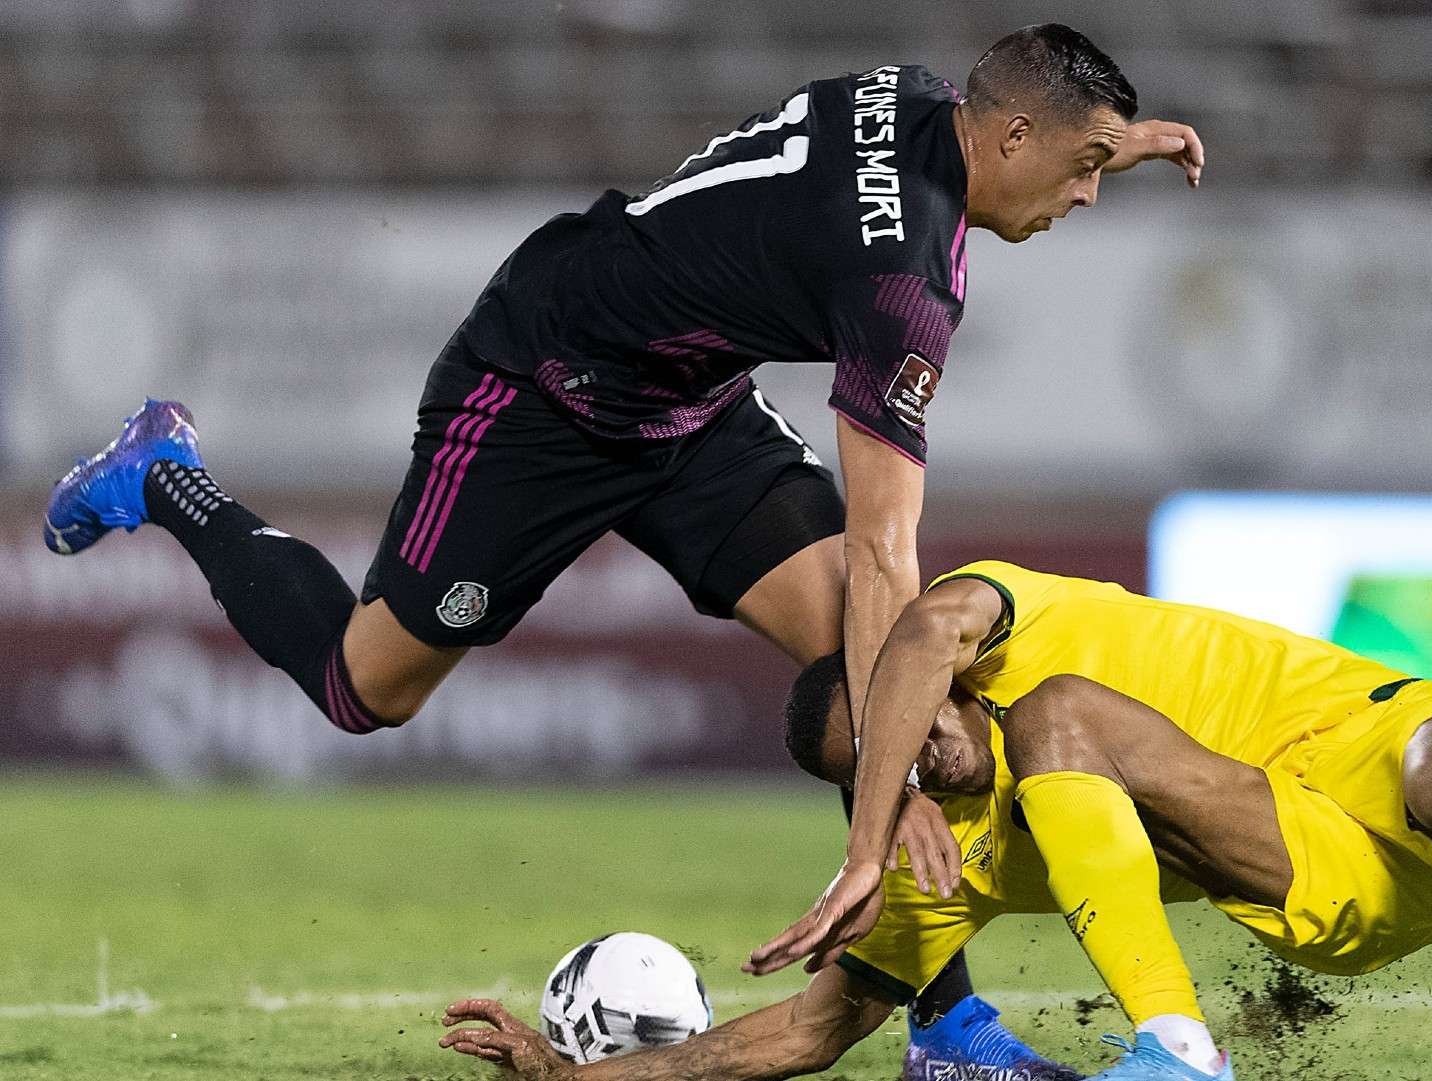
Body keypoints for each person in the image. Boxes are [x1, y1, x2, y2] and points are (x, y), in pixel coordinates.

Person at [42, 26, 1202, 1081]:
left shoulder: (918, 98)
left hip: (690, 410)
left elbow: (1021, 100)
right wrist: (881, 803)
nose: (1089, 194)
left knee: (892, 685)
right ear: (1008, 138)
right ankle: (163, 474)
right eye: (1086, 166)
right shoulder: (900, 282)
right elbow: (887, 546)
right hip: (541, 390)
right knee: (365, 686)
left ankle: (945, 1033)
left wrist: (1127, 136)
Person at [430, 560, 1432, 1080]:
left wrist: (887, 791)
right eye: (883, 762)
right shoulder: (943, 859)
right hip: (1322, 880)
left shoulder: (998, 621)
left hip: (1390, 743)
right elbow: (806, 1032)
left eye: (913, 736)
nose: (927, 765)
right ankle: (1177, 1049)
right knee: (1061, 733)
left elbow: (921, 621)